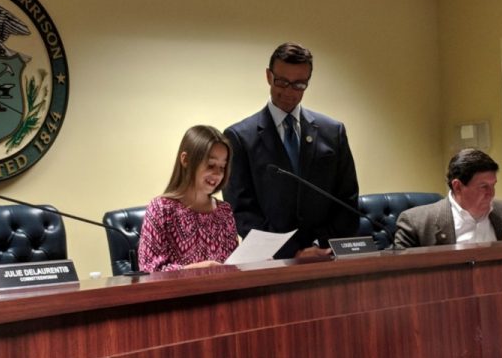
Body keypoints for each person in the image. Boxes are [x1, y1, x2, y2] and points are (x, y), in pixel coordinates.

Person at [223, 42, 359, 259]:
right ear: (269, 76)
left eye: (298, 85)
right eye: (282, 82)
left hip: (326, 257)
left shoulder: (333, 132)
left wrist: (320, 246)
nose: (289, 91)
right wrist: (292, 252)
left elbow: (347, 199)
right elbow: (241, 211)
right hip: (272, 261)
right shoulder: (239, 137)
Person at [138, 125, 239, 272]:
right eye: (211, 165)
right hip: (179, 295)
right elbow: (149, 270)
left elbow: (231, 265)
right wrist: (195, 270)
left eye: (222, 167)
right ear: (185, 160)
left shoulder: (224, 211)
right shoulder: (161, 208)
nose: (217, 174)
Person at [393, 148, 502, 248]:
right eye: (483, 187)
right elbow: (399, 276)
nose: (491, 193)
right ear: (457, 186)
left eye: (493, 185)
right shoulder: (416, 224)